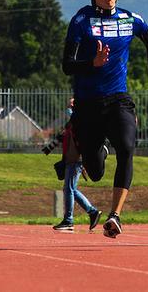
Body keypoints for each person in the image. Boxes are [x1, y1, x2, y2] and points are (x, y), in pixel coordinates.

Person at [62, 0, 148, 238]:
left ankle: (115, 216)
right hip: (88, 105)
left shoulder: (130, 19)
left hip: (118, 100)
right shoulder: (81, 21)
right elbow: (67, 65)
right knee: (96, 172)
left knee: (127, 147)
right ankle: (98, 148)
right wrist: (93, 62)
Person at [52, 99, 102, 232]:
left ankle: (69, 220)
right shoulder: (73, 122)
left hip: (76, 159)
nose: (69, 108)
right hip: (71, 159)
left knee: (69, 188)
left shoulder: (80, 121)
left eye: (72, 107)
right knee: (70, 188)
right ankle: (92, 212)